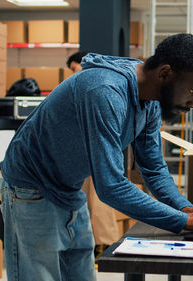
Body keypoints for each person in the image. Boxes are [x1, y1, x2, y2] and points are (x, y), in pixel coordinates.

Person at [0, 33, 193, 281]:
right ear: (165, 73)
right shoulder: (105, 91)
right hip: (29, 190)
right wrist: (182, 221)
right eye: (192, 90)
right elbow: (111, 186)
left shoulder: (151, 100)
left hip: (68, 189)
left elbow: (153, 168)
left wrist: (186, 208)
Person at [67, 50, 121, 258]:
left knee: (98, 198)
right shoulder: (88, 84)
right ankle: (95, 244)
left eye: (74, 68)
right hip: (85, 148)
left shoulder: (94, 84)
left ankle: (105, 245)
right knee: (88, 199)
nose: (73, 73)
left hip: (96, 147)